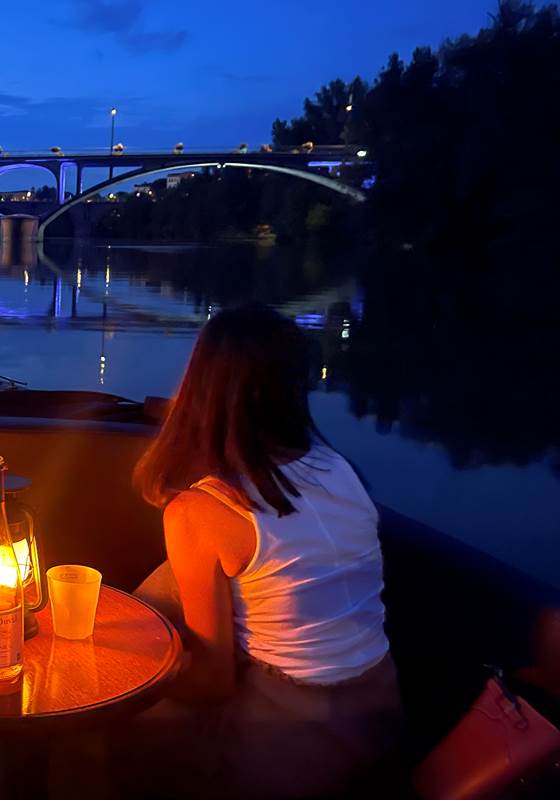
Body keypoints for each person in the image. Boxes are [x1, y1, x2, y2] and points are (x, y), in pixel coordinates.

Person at [122, 304, 403, 799]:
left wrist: (125, 677)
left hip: (291, 738)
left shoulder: (202, 511)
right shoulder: (341, 469)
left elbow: (212, 682)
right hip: (381, 711)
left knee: (113, 730)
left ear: (200, 386)